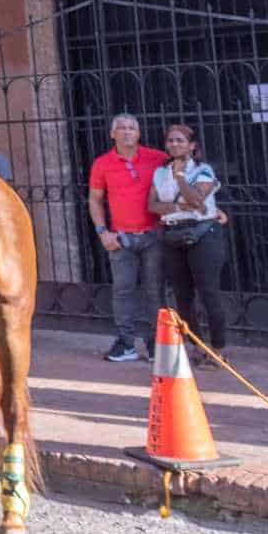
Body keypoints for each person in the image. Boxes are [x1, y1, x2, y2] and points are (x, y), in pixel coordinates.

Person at [87, 113, 167, 362]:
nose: (127, 131)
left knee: (156, 290)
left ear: (139, 133)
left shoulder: (158, 158)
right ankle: (126, 342)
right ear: (113, 134)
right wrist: (102, 232)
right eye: (121, 128)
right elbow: (95, 200)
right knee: (123, 291)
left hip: (154, 235)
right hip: (120, 238)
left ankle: (157, 343)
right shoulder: (102, 163)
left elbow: (180, 182)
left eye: (132, 127)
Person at [149, 123, 230, 367]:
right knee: (183, 296)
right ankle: (197, 346)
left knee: (208, 292)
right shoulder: (160, 173)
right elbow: (152, 205)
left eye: (180, 141)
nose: (174, 144)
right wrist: (178, 206)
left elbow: (197, 200)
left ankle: (218, 347)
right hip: (173, 235)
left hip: (203, 236)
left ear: (192, 146)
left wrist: (181, 178)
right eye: (171, 140)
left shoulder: (203, 171)